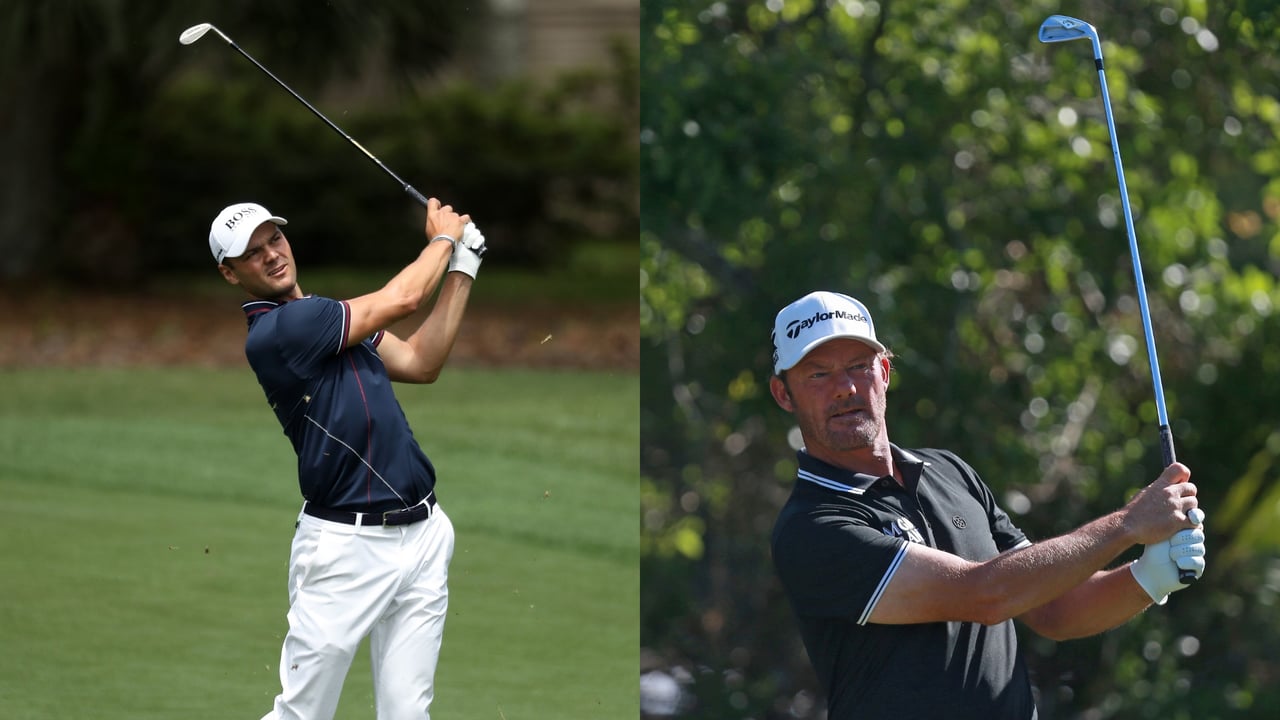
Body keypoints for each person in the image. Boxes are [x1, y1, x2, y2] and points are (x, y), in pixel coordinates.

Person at [767, 290, 1207, 719]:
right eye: (818, 375)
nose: (844, 388)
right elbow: (985, 595)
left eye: (858, 366)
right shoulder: (810, 527)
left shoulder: (948, 471)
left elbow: (1053, 609)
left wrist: (1150, 575)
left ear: (883, 372)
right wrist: (1129, 523)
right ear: (784, 394)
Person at [208, 198, 486, 720]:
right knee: (302, 714)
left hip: (424, 534)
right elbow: (404, 298)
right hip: (345, 548)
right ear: (230, 273)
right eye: (252, 253)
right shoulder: (283, 331)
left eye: (274, 239)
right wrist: (443, 239)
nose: (272, 255)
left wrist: (462, 269)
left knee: (408, 714)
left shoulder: (330, 316)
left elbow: (421, 362)